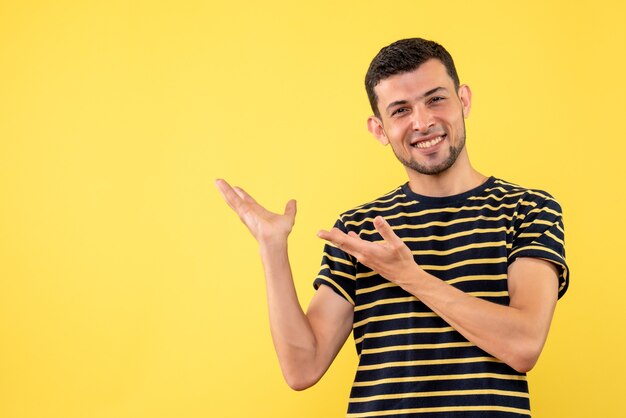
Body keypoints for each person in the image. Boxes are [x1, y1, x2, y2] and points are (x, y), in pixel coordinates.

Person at [215, 38, 568, 417]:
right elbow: (302, 368)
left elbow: (524, 344)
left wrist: (410, 276)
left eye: (436, 99)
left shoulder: (528, 209)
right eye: (400, 110)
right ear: (379, 129)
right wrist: (272, 249)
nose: (423, 122)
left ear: (463, 100)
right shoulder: (357, 231)